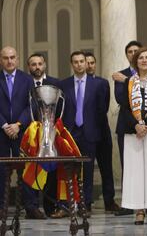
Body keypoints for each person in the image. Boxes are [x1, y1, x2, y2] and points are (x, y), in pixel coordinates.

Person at [54, 51, 106, 218]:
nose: (79, 64)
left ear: (86, 63)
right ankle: (66, 205)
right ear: (72, 64)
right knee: (66, 169)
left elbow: (102, 110)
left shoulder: (99, 84)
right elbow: (59, 110)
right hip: (70, 132)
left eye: (81, 61)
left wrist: (97, 130)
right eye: (75, 62)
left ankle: (86, 204)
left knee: (88, 170)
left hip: (90, 132)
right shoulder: (64, 84)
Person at [0, 47, 46, 219]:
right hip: (1, 131)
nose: (9, 61)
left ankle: (31, 207)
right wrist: (5, 125)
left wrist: (18, 124)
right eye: (6, 58)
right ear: (1, 60)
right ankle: (1, 207)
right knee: (1, 170)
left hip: (22, 131)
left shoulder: (27, 79)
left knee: (28, 168)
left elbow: (31, 105)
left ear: (17, 59)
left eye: (12, 57)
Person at [120, 47, 147, 225]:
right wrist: (136, 125)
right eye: (140, 58)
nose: (144, 60)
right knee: (135, 171)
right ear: (136, 61)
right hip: (133, 131)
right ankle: (138, 210)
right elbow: (124, 108)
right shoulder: (128, 81)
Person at [85, 53, 120, 213]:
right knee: (87, 168)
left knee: (106, 167)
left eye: (92, 62)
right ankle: (86, 201)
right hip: (85, 132)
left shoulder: (103, 83)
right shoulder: (79, 84)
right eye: (87, 63)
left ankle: (109, 200)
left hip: (102, 130)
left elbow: (104, 106)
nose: (90, 65)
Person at [27, 53, 60, 217]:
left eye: (40, 63)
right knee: (31, 169)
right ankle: (31, 207)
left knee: (51, 170)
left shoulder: (56, 83)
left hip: (51, 133)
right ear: (29, 67)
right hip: (31, 133)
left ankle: (51, 206)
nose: (37, 67)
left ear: (44, 65)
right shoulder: (25, 84)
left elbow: (61, 107)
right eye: (33, 64)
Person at [113, 40, 142, 216]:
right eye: (130, 51)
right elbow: (121, 99)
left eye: (136, 51)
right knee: (128, 166)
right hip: (126, 125)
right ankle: (128, 204)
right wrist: (129, 81)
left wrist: (128, 82)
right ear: (127, 55)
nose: (133, 54)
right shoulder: (120, 75)